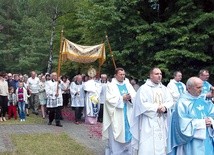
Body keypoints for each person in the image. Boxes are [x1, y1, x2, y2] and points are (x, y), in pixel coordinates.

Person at [130, 67, 173, 155]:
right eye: (156, 74)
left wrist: (165, 107)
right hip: (148, 122)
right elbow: (141, 104)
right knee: (147, 145)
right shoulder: (144, 89)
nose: (159, 76)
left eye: (160, 74)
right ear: (151, 76)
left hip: (161, 121)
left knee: (161, 144)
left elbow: (170, 101)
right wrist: (156, 108)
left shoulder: (164, 88)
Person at [167, 77, 214, 155]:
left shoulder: (204, 100)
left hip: (207, 140)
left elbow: (212, 114)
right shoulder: (182, 103)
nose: (201, 89)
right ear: (189, 88)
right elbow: (181, 126)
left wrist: (211, 121)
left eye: (202, 87)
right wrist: (202, 123)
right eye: (198, 87)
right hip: (192, 143)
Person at [102, 68, 136, 155]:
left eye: (124, 74)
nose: (123, 76)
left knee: (129, 132)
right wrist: (122, 98)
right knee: (116, 133)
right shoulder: (111, 85)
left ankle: (128, 152)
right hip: (116, 114)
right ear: (115, 75)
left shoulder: (127, 84)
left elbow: (134, 95)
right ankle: (116, 152)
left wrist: (130, 98)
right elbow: (109, 100)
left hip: (128, 113)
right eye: (121, 74)